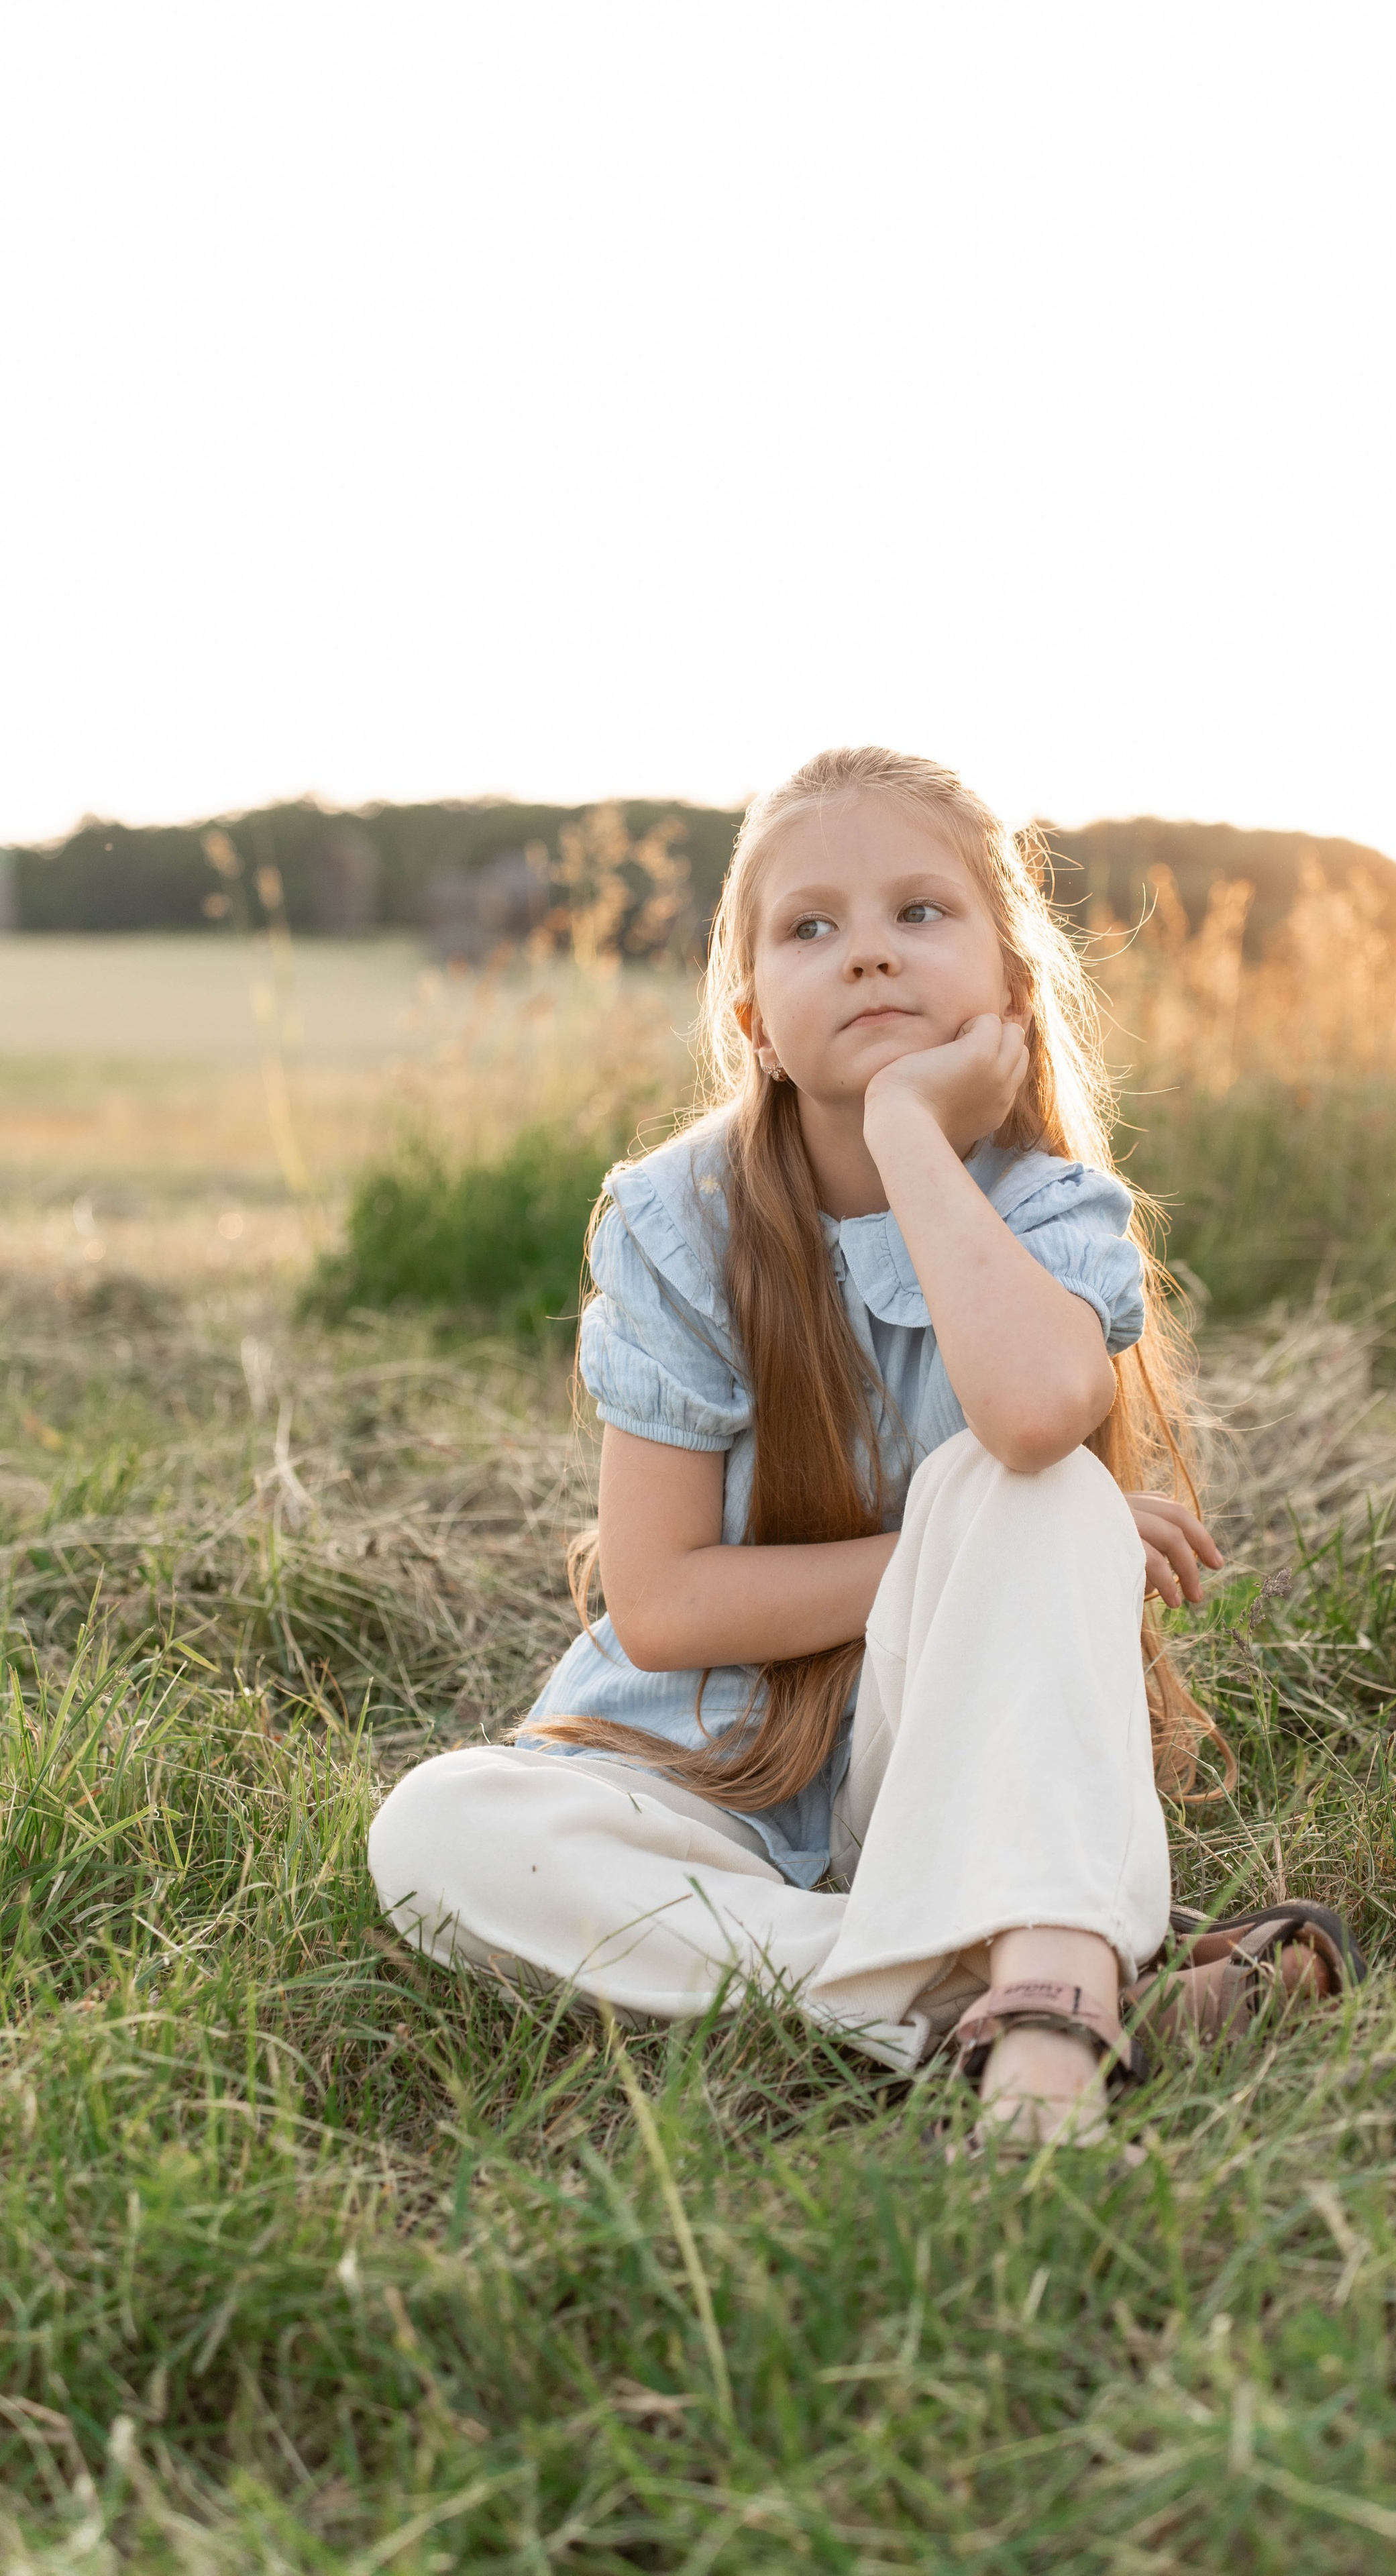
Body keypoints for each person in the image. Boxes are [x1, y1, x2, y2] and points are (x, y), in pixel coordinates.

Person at [370, 747, 1340, 2147]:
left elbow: (1025, 1418)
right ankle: (993, 1989)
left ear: (1010, 986)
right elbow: (660, 1604)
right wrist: (956, 1552)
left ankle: (1041, 2043)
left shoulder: (1050, 1208)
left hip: (937, 1774)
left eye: (919, 915)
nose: (869, 955)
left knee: (1031, 1479)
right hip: (695, 1776)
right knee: (434, 1836)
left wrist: (905, 1135)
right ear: (755, 1016)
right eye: (812, 927)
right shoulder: (676, 1218)